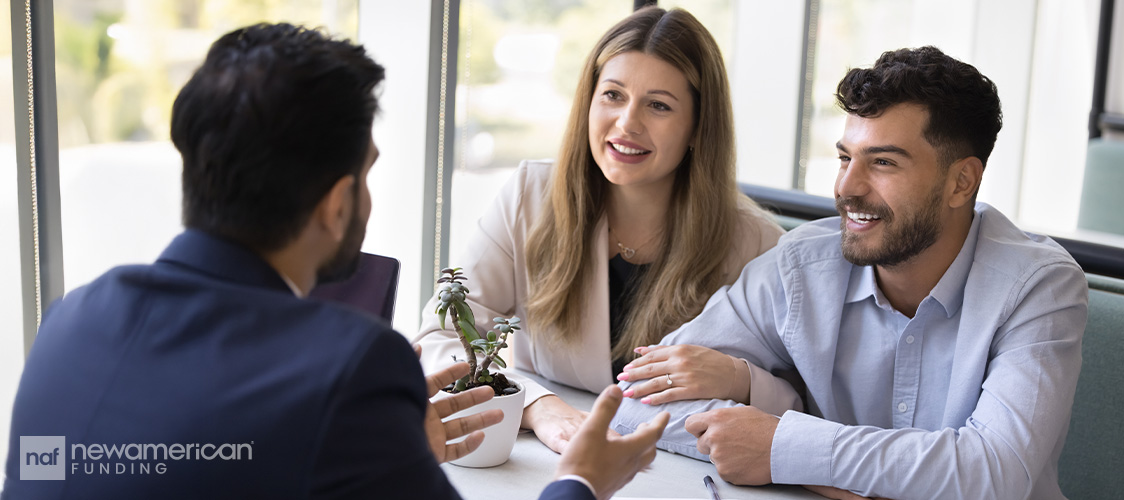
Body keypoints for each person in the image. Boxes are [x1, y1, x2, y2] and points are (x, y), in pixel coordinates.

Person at [2, 23, 669, 500]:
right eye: (368, 174)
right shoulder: (346, 367)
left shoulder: (70, 321)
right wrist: (580, 482)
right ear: (338, 202)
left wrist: (385, 455)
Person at [610, 46, 1088, 499]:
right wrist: (788, 439)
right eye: (844, 157)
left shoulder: (1039, 287)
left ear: (961, 182)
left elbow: (995, 470)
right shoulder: (802, 263)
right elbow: (634, 402)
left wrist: (785, 449)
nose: (847, 188)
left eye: (882, 162)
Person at [414, 6, 801, 455]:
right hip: (545, 456)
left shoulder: (757, 242)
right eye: (613, 95)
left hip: (685, 470)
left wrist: (739, 378)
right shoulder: (530, 194)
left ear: (698, 126)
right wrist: (537, 406)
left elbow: (805, 400)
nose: (627, 124)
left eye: (658, 105)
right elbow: (439, 341)